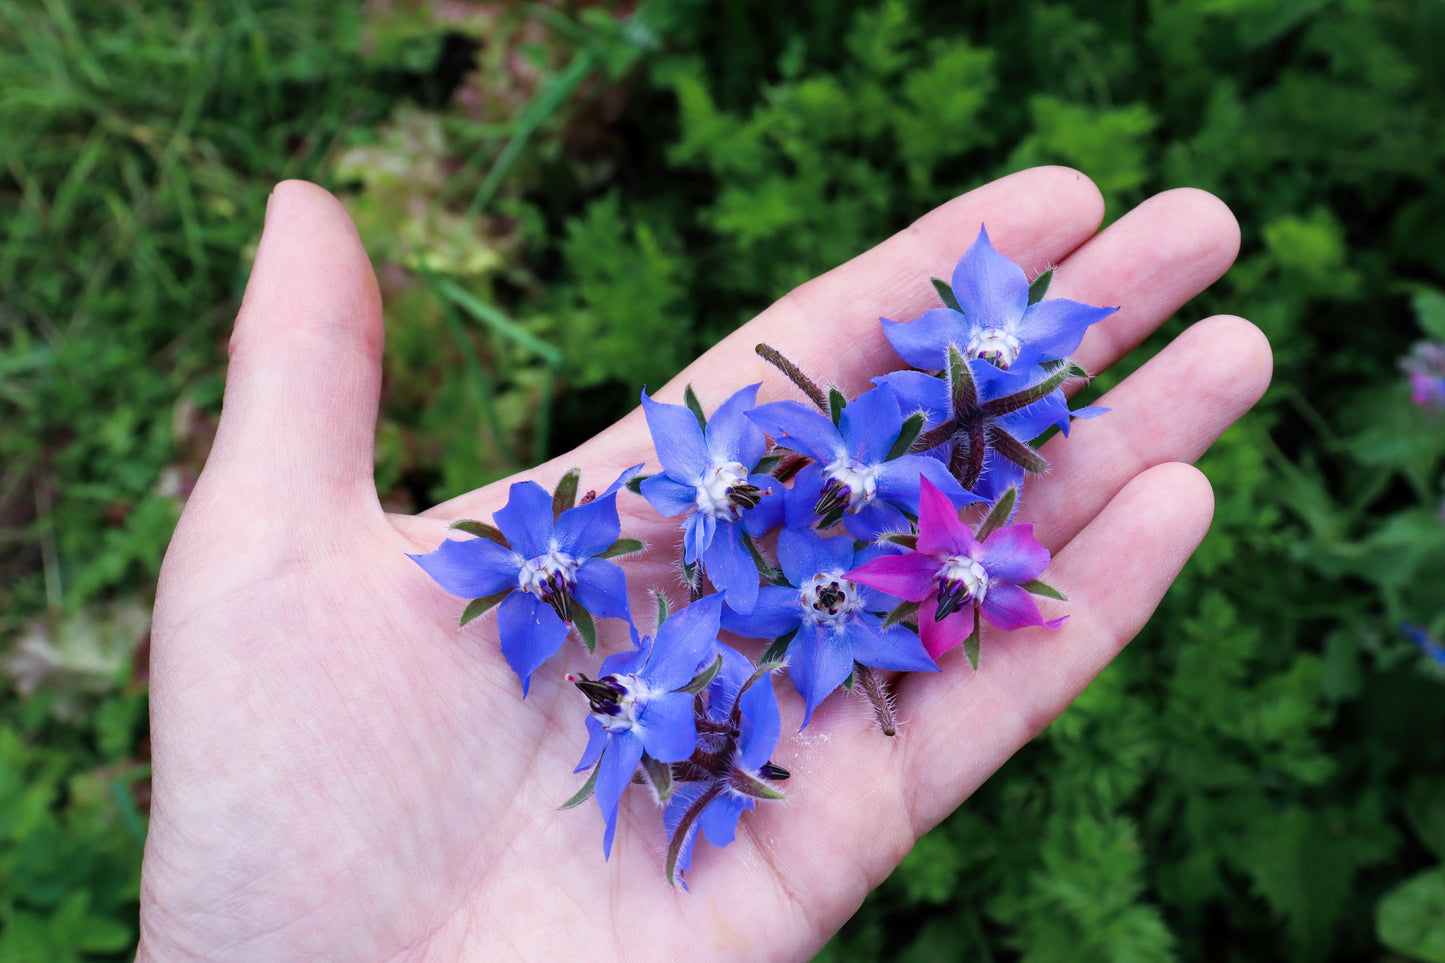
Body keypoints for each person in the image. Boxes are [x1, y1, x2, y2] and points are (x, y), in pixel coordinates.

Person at [135, 168, 1270, 961]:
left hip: (842, 541)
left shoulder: (847, 525)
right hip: (769, 582)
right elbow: (729, 622)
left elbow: (821, 573)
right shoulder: (673, 629)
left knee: (868, 561)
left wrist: (876, 543)